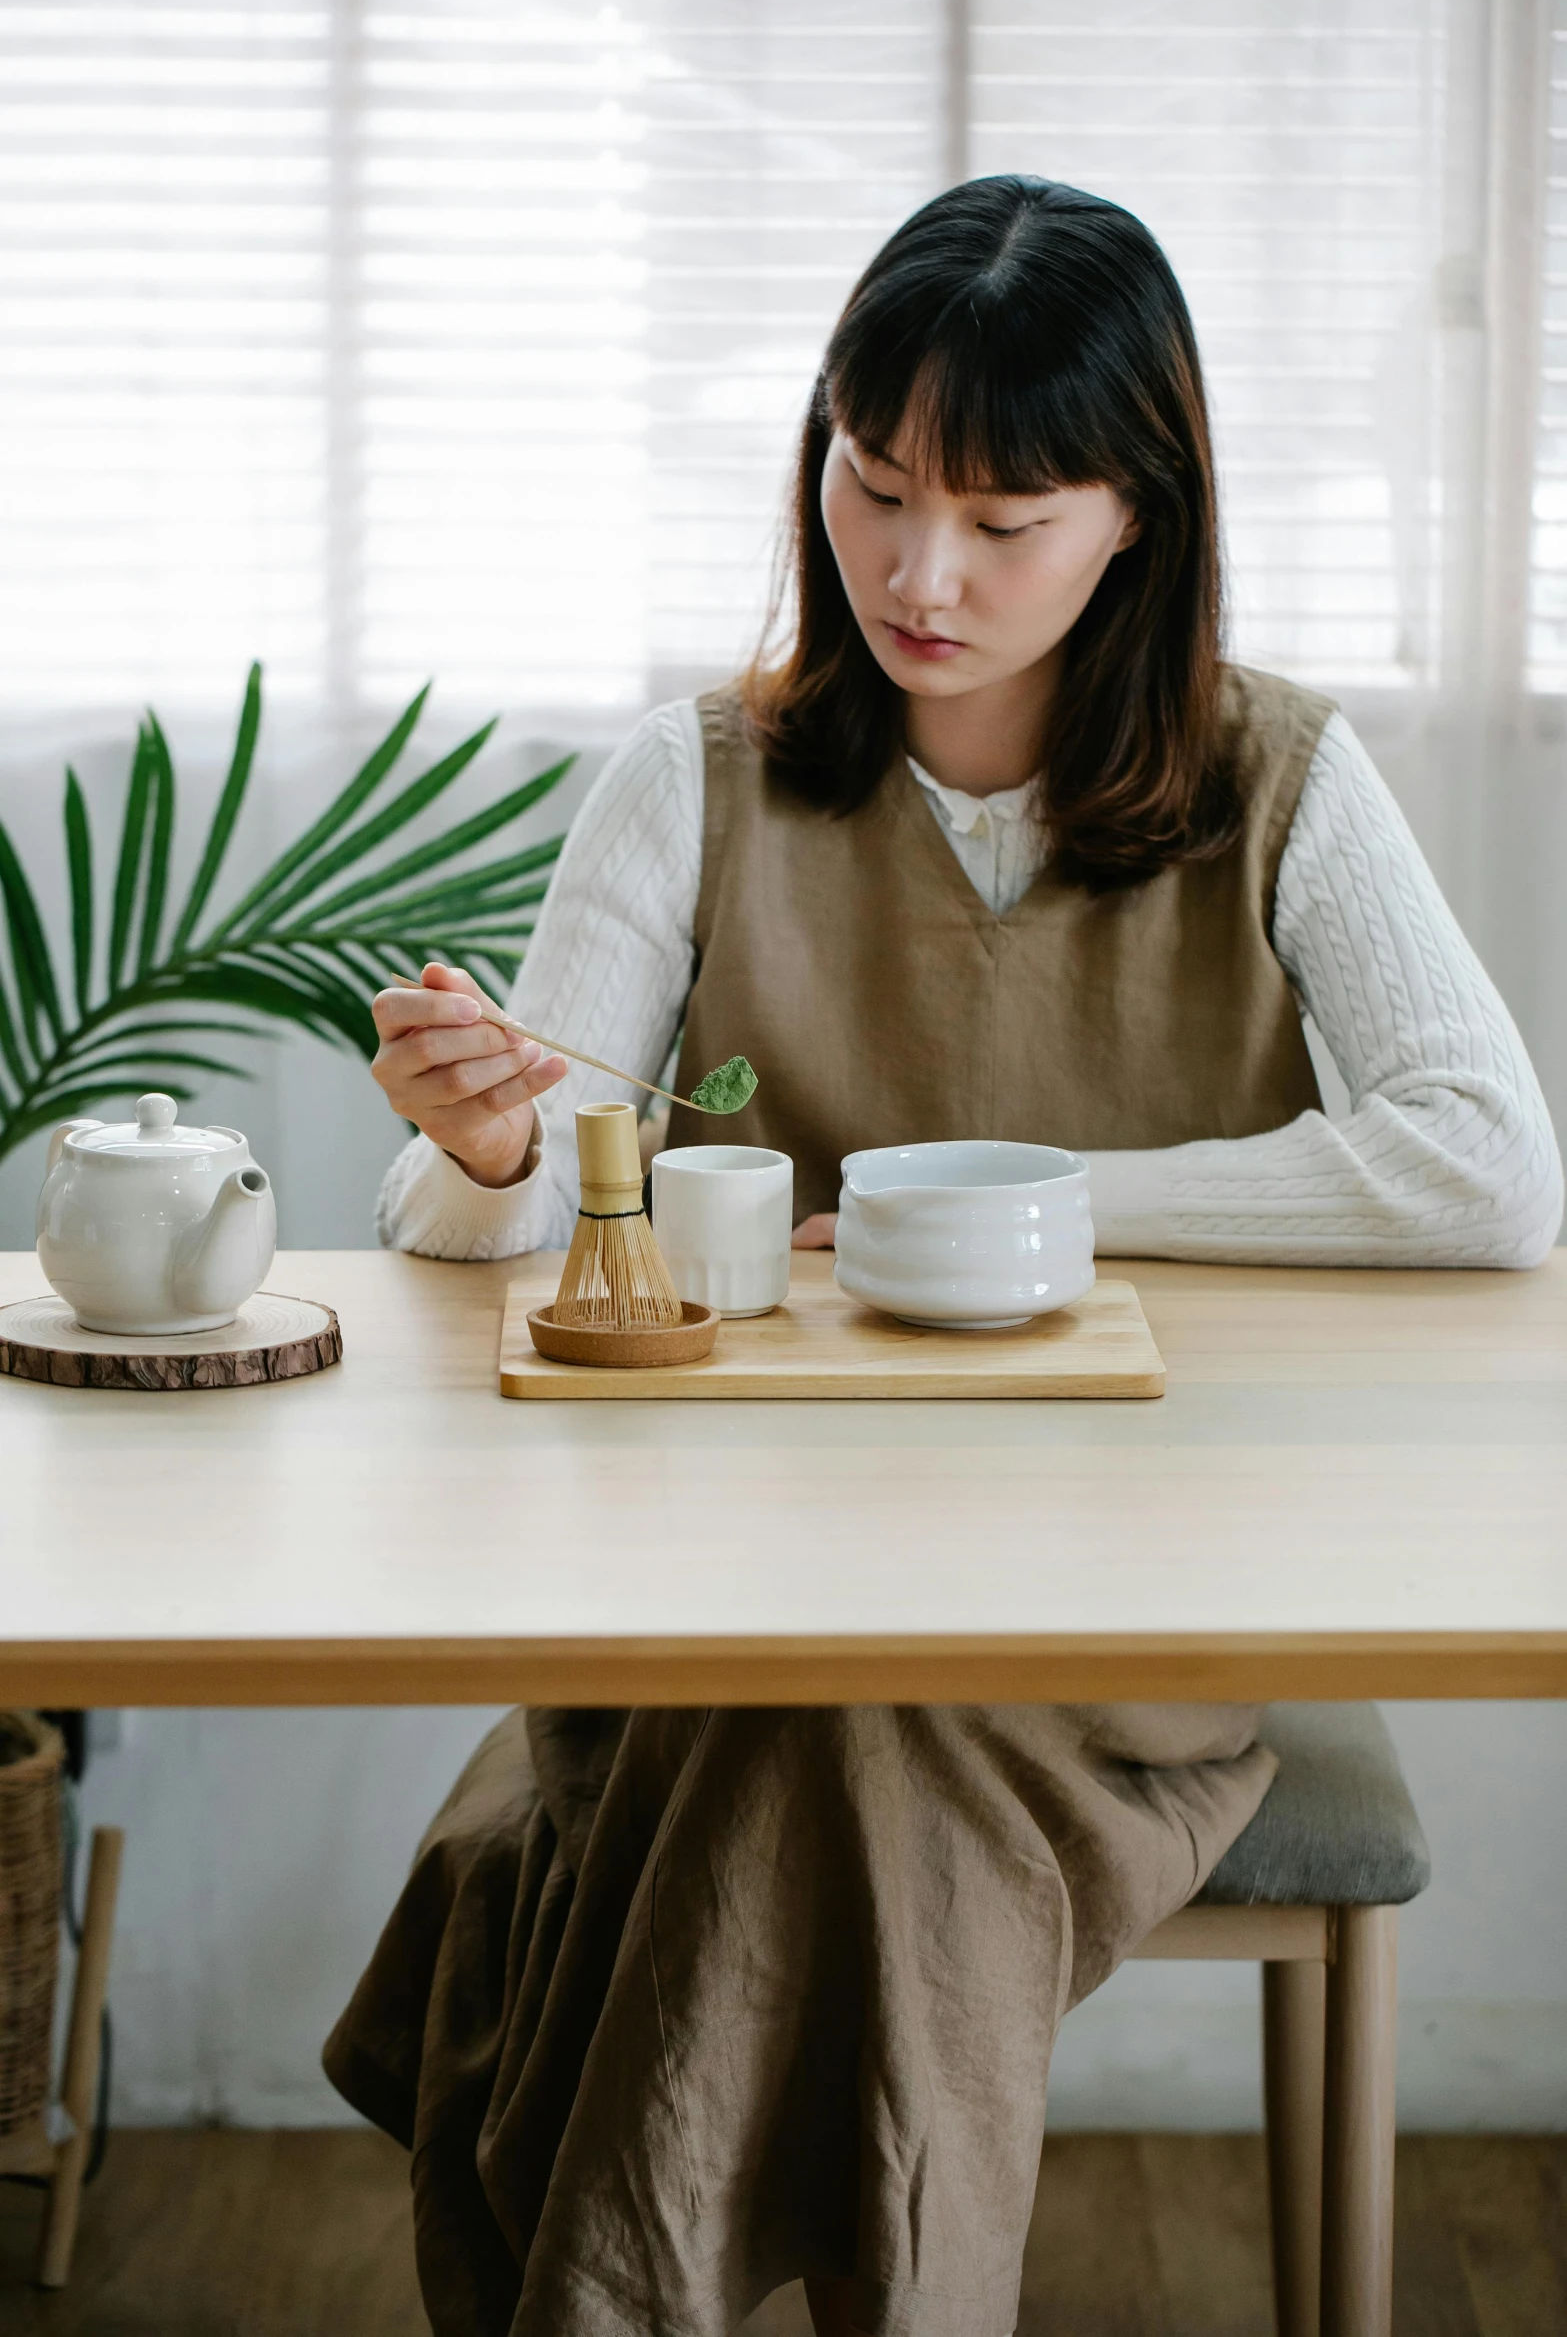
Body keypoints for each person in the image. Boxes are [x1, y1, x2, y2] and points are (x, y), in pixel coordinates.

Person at [324, 178, 1562, 2337]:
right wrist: (490, 1141)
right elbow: (511, 1222)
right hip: (726, 1587)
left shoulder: (1284, 781)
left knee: (820, 1725)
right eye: (876, 485)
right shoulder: (692, 780)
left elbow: (1488, 1169)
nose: (917, 570)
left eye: (1005, 517)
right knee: (814, 1711)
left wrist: (1039, 1203)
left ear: (1138, 516)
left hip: (1120, 1606)